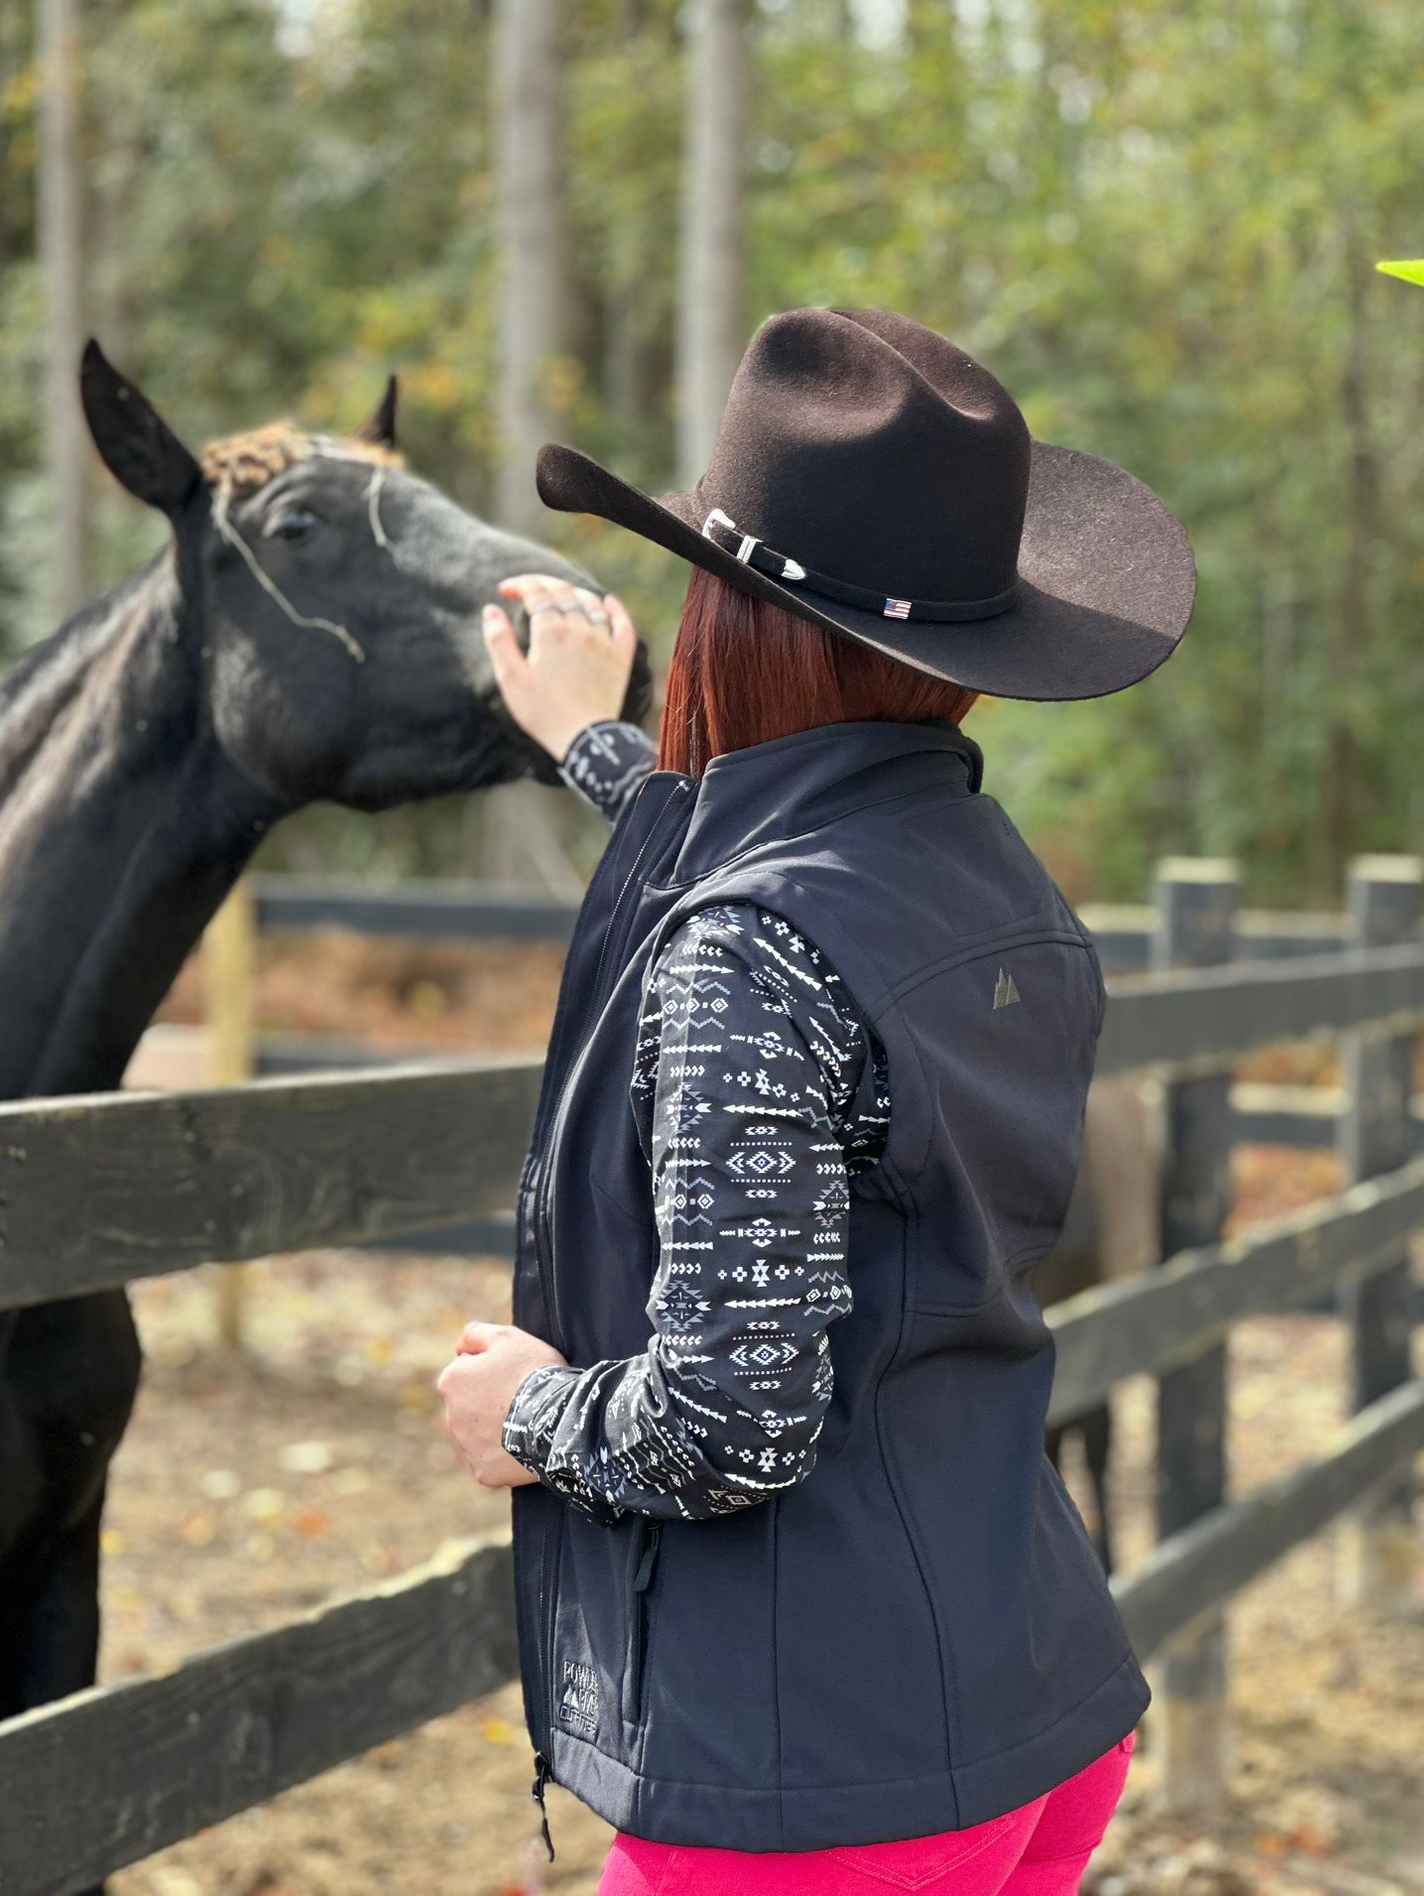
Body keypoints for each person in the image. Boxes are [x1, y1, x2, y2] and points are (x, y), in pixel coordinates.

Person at [438, 307, 1195, 1894]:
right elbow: (764, 867)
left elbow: (731, 1419)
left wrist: (523, 1411)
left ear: (735, 619)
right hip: (1031, 1700)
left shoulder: (748, 954)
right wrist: (593, 741)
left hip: (820, 1776)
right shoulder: (994, 887)